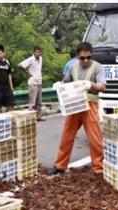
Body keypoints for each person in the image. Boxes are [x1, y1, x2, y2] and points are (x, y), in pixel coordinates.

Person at [53, 42, 106, 175]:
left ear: (91, 55)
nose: (85, 60)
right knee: (67, 136)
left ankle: (98, 167)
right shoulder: (72, 67)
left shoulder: (98, 67)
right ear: (77, 56)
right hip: (74, 104)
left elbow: (103, 86)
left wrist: (91, 85)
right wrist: (60, 85)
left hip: (90, 105)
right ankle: (60, 165)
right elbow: (66, 82)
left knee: (95, 138)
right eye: (82, 58)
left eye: (88, 57)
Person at [19, 46, 44, 121]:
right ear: (34, 52)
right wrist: (27, 73)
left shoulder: (41, 59)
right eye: (36, 52)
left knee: (39, 102)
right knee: (32, 102)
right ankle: (31, 118)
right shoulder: (31, 59)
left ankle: (38, 116)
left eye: (39, 52)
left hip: (39, 81)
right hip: (32, 82)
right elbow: (20, 65)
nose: (38, 53)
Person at [0, 44, 15, 112]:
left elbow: (9, 75)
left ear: (4, 53)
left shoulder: (8, 62)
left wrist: (12, 87)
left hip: (7, 87)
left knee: (11, 105)